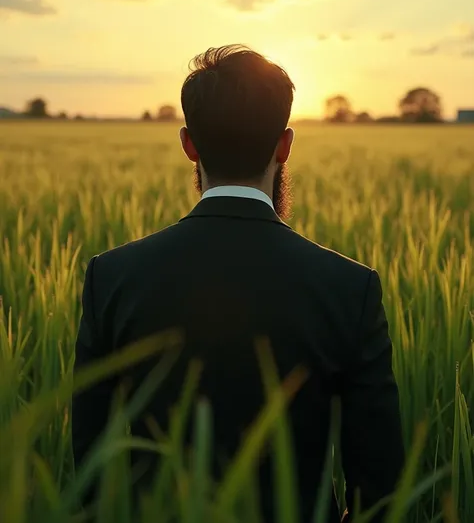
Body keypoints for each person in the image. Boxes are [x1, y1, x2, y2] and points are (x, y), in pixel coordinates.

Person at [72, 45, 404, 522]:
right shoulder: (351, 288)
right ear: (284, 145)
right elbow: (380, 487)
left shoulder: (113, 277)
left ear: (189, 144)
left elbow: (92, 470)